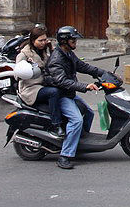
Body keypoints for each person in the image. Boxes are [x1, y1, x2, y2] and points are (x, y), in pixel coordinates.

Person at [45, 25, 108, 170]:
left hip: (69, 93)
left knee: (89, 113)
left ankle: (78, 142)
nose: (76, 42)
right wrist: (84, 86)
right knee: (76, 120)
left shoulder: (67, 53)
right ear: (64, 41)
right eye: (73, 40)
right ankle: (65, 155)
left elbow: (82, 66)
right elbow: (61, 81)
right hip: (61, 95)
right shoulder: (56, 59)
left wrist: (104, 73)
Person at [15, 25, 62, 135]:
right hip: (31, 89)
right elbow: (17, 75)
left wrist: (51, 48)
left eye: (45, 40)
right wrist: (27, 70)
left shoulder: (43, 52)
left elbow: (53, 64)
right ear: (32, 40)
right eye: (40, 40)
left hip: (43, 84)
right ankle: (56, 125)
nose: (43, 42)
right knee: (53, 92)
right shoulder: (24, 54)